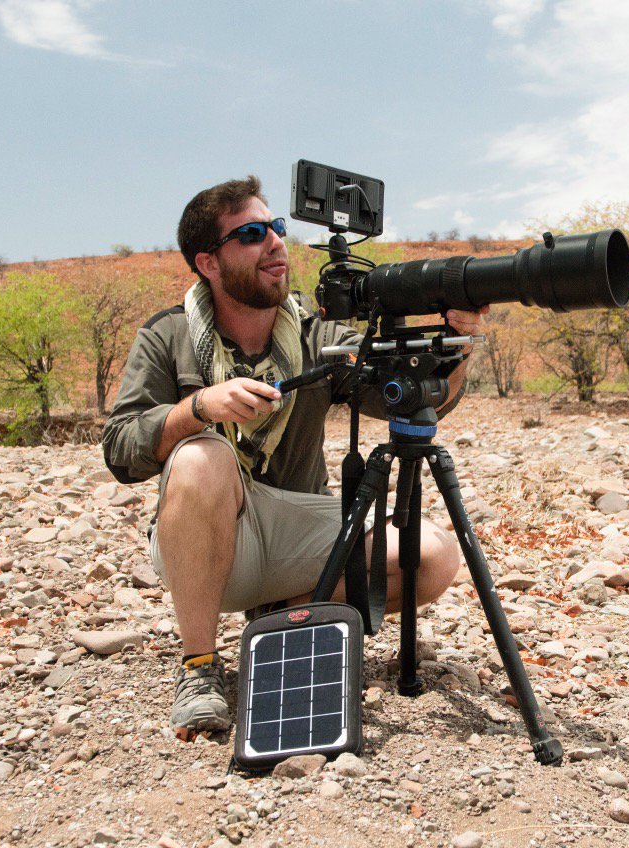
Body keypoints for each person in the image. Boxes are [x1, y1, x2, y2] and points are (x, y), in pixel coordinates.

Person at [102, 176, 485, 737]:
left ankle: (283, 618)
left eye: (276, 227)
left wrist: (457, 348)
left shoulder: (317, 334)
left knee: (432, 556)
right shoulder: (168, 335)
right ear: (208, 263)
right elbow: (120, 449)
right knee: (201, 457)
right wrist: (198, 408)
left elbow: (408, 398)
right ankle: (199, 668)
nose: (275, 242)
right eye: (251, 234)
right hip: (208, 535)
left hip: (297, 528)